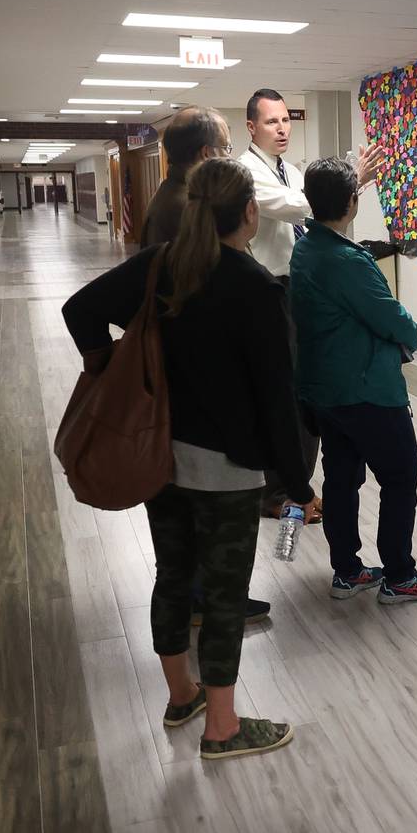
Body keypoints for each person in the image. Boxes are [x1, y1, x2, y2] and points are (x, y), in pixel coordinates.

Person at [62, 158, 313, 760]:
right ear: (249, 214)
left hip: (158, 457)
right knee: (225, 596)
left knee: (173, 577)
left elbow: (80, 311)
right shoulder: (256, 288)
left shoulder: (159, 266)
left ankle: (182, 696)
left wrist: (109, 368)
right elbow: (277, 400)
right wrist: (298, 485)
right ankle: (222, 728)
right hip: (226, 470)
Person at [289, 158, 417, 604]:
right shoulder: (344, 260)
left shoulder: (306, 248)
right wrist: (412, 334)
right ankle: (400, 576)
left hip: (325, 390)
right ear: (353, 202)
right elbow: (394, 319)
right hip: (365, 391)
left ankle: (349, 571)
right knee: (400, 475)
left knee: (341, 478)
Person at [139, 106, 272, 626]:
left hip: (184, 380)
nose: (227, 153)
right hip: (195, 394)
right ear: (204, 156)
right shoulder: (180, 211)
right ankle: (207, 604)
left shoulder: (174, 200)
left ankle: (201, 599)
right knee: (199, 517)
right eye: (223, 146)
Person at [238, 88, 381, 519]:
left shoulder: (291, 170)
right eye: (271, 122)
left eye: (285, 120)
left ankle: (299, 486)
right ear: (251, 127)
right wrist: (350, 179)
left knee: (308, 392)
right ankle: (279, 492)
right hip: (272, 293)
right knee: (284, 395)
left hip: (300, 292)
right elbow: (300, 208)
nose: (282, 128)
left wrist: (352, 185)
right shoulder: (247, 173)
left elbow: (320, 212)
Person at [142, 106, 231, 248]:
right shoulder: (193, 207)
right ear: (206, 153)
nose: (229, 157)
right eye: (226, 148)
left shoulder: (172, 192)